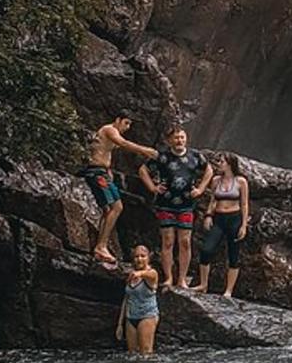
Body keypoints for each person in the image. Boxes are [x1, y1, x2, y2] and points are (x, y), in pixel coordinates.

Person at [139, 126, 212, 289]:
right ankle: (169, 277)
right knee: (168, 241)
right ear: (170, 140)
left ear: (186, 139)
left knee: (185, 242)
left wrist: (200, 189)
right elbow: (143, 170)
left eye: (182, 137)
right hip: (165, 204)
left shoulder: (195, 156)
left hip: (187, 205)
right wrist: (152, 187)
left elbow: (209, 171)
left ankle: (182, 279)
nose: (179, 140)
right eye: (176, 138)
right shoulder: (162, 156)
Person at [84, 113, 159, 267]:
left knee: (107, 209)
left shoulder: (108, 133)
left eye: (129, 124)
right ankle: (101, 246)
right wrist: (145, 151)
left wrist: (109, 171)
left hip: (102, 172)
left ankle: (100, 246)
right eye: (126, 123)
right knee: (117, 207)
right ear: (117, 120)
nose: (127, 127)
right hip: (97, 172)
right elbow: (123, 143)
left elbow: (104, 151)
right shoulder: (110, 129)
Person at [191, 153, 250, 297]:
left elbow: (244, 203)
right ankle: (203, 284)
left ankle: (229, 290)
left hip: (234, 218)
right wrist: (208, 215)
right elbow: (213, 200)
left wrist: (243, 225)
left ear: (230, 164)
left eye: (222, 162)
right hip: (219, 218)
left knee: (233, 254)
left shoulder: (241, 181)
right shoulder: (216, 180)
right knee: (206, 249)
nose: (219, 164)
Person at [115, 245, 159, 354]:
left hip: (147, 316)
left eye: (143, 256)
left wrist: (140, 273)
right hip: (131, 317)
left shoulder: (152, 273)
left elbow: (151, 275)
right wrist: (120, 324)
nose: (139, 259)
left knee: (146, 352)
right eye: (136, 256)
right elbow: (126, 299)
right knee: (132, 353)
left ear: (149, 258)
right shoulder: (131, 275)